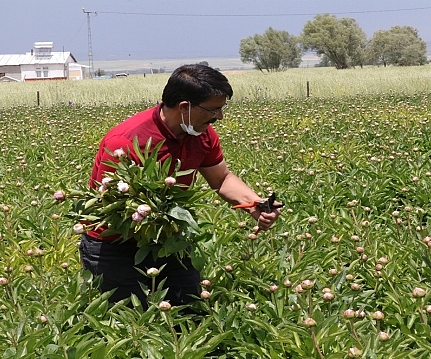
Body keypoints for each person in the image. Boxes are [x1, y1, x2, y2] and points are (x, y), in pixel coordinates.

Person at [79, 64, 281, 306]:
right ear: (185, 107)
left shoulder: (201, 133)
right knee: (128, 320)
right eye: (214, 109)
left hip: (171, 239)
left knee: (190, 310)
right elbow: (110, 207)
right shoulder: (125, 141)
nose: (220, 117)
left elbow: (222, 178)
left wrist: (253, 203)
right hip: (114, 246)